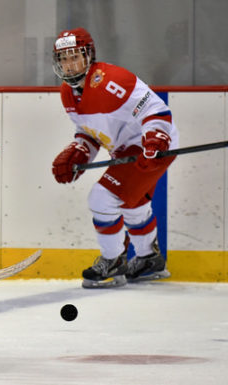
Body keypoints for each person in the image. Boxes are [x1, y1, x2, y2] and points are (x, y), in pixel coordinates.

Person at [50, 27, 179, 289]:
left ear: (89, 56)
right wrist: (80, 151)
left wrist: (154, 139)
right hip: (124, 151)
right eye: (63, 58)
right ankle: (148, 259)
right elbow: (91, 132)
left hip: (148, 147)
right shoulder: (67, 92)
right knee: (132, 205)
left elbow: (156, 110)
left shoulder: (112, 79)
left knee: (102, 198)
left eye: (75, 56)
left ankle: (113, 261)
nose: (69, 64)